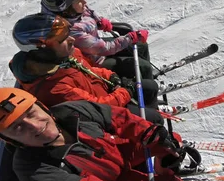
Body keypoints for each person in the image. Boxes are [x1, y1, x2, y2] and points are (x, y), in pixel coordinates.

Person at [0, 88, 199, 181]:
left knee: (169, 142)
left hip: (116, 154)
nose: (35, 126)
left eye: (31, 112)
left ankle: (168, 164)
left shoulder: (71, 111)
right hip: (111, 177)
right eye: (17, 127)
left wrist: (154, 137)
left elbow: (118, 118)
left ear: (42, 106)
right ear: (10, 140)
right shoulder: (34, 168)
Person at [10, 13, 162, 124]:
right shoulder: (54, 88)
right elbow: (97, 107)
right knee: (155, 119)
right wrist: (125, 92)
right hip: (106, 114)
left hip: (109, 92)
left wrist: (110, 76)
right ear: (42, 50)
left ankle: (151, 106)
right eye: (62, 39)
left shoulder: (65, 55)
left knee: (148, 87)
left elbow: (90, 69)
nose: (71, 40)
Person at [39, 0, 155, 80]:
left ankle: (146, 76)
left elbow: (87, 12)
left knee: (142, 47)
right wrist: (131, 37)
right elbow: (105, 48)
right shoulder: (70, 31)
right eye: (79, 1)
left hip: (95, 49)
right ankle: (147, 92)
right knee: (142, 66)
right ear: (65, 8)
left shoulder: (71, 12)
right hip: (96, 62)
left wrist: (98, 21)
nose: (84, 2)